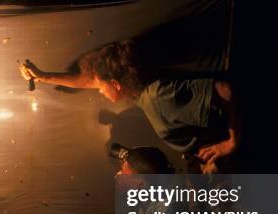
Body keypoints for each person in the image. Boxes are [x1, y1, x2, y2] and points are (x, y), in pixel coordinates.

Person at [19, 39, 240, 173]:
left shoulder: (158, 96)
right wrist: (43, 77)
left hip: (227, 162)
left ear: (116, 83)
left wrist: (231, 142)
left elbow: (224, 90)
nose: (99, 90)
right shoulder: (140, 94)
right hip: (202, 160)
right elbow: (89, 80)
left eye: (101, 86)